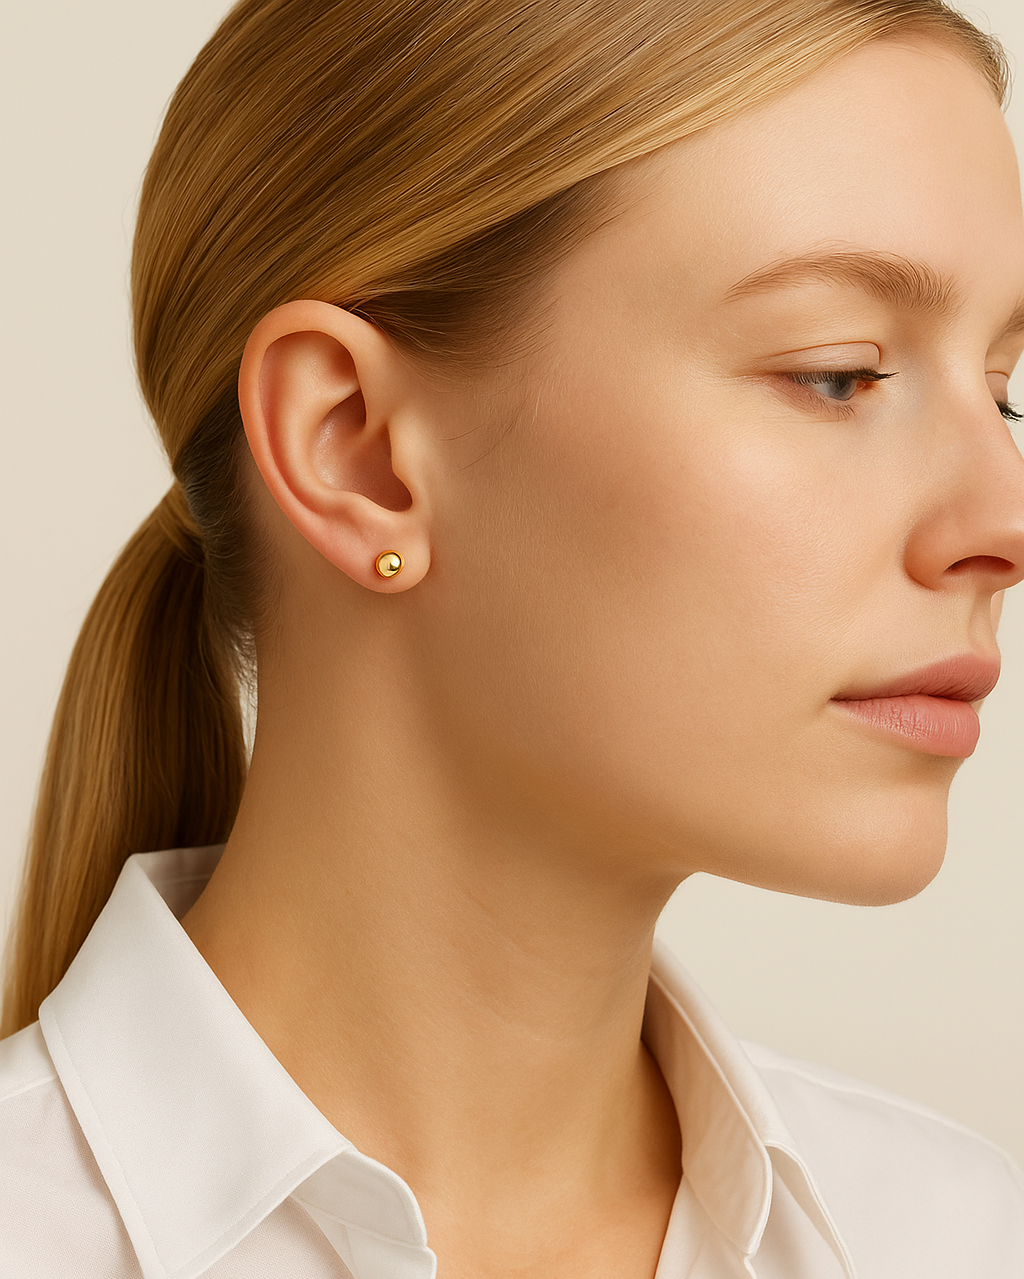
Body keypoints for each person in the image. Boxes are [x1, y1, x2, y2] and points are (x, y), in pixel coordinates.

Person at [2, 0, 1023, 1274]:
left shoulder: (954, 1237)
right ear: (355, 448)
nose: (1002, 523)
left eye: (1002, 391)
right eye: (838, 372)